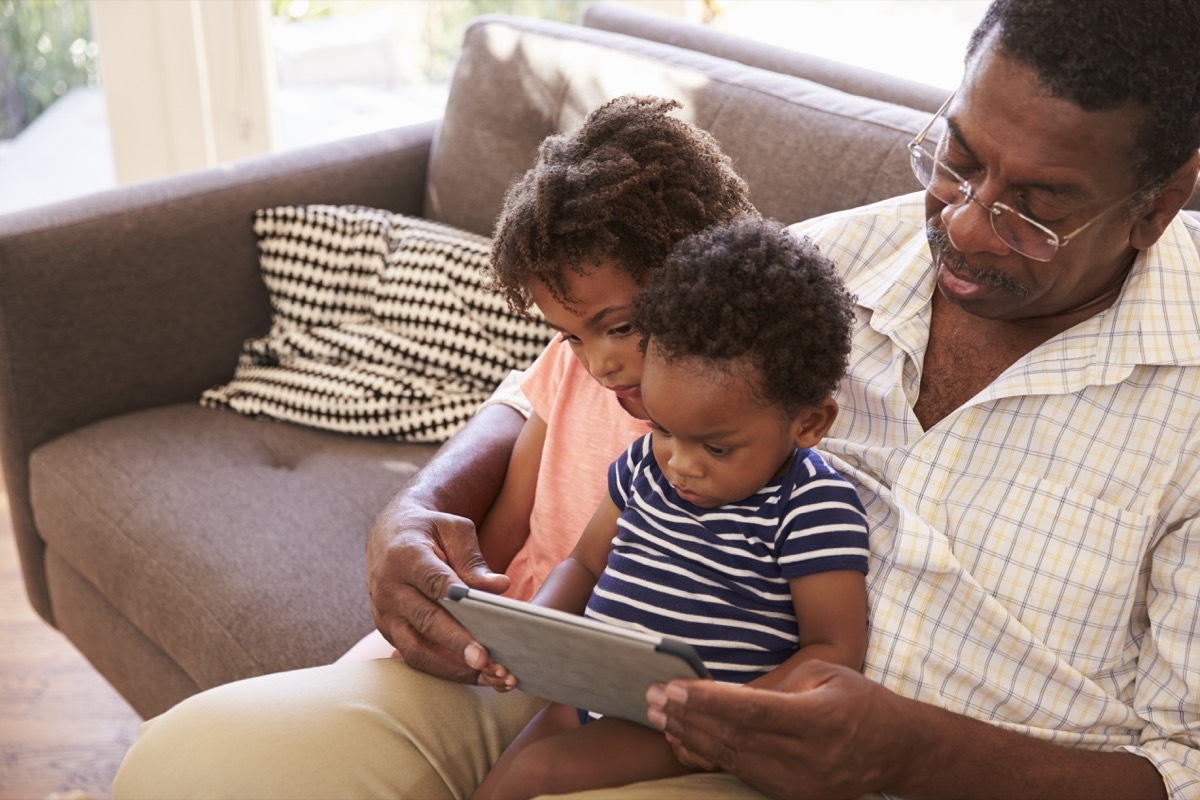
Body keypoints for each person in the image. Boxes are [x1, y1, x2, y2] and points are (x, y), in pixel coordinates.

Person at [114, 0, 1200, 797]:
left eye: (1035, 209)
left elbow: (1183, 762)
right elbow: (547, 386)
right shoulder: (820, 264)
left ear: (1161, 203)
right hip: (611, 681)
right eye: (956, 159)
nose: (963, 221)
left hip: (866, 768)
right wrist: (417, 507)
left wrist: (913, 750)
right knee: (199, 768)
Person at [472, 216, 869, 800]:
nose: (679, 464)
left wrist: (731, 718)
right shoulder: (644, 465)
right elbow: (584, 563)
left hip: (686, 728)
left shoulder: (811, 505)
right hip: (592, 694)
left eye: (717, 447)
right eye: (662, 428)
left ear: (809, 423)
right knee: (499, 781)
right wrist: (529, 637)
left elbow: (834, 650)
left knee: (535, 777)